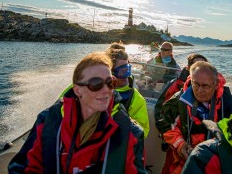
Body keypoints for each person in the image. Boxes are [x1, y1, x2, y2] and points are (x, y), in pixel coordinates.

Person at [9, 52, 146, 174]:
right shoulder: (48, 122)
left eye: (110, 82)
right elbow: (23, 168)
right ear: (77, 90)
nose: (106, 90)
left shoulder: (130, 133)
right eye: (96, 84)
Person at [159, 61, 232, 174]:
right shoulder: (178, 102)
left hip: (217, 166)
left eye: (205, 86)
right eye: (195, 84)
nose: (199, 90)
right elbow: (166, 124)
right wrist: (180, 144)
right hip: (184, 163)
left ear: (216, 84)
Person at [154, 54, 209, 174]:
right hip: (175, 145)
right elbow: (161, 112)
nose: (200, 70)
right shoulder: (177, 88)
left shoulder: (219, 98)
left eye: (204, 66)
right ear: (188, 68)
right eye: (196, 66)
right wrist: (170, 139)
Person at [106, 42, 150, 138]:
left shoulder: (135, 98)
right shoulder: (89, 88)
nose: (127, 75)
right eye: (123, 71)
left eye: (128, 69)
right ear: (111, 73)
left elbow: (142, 132)